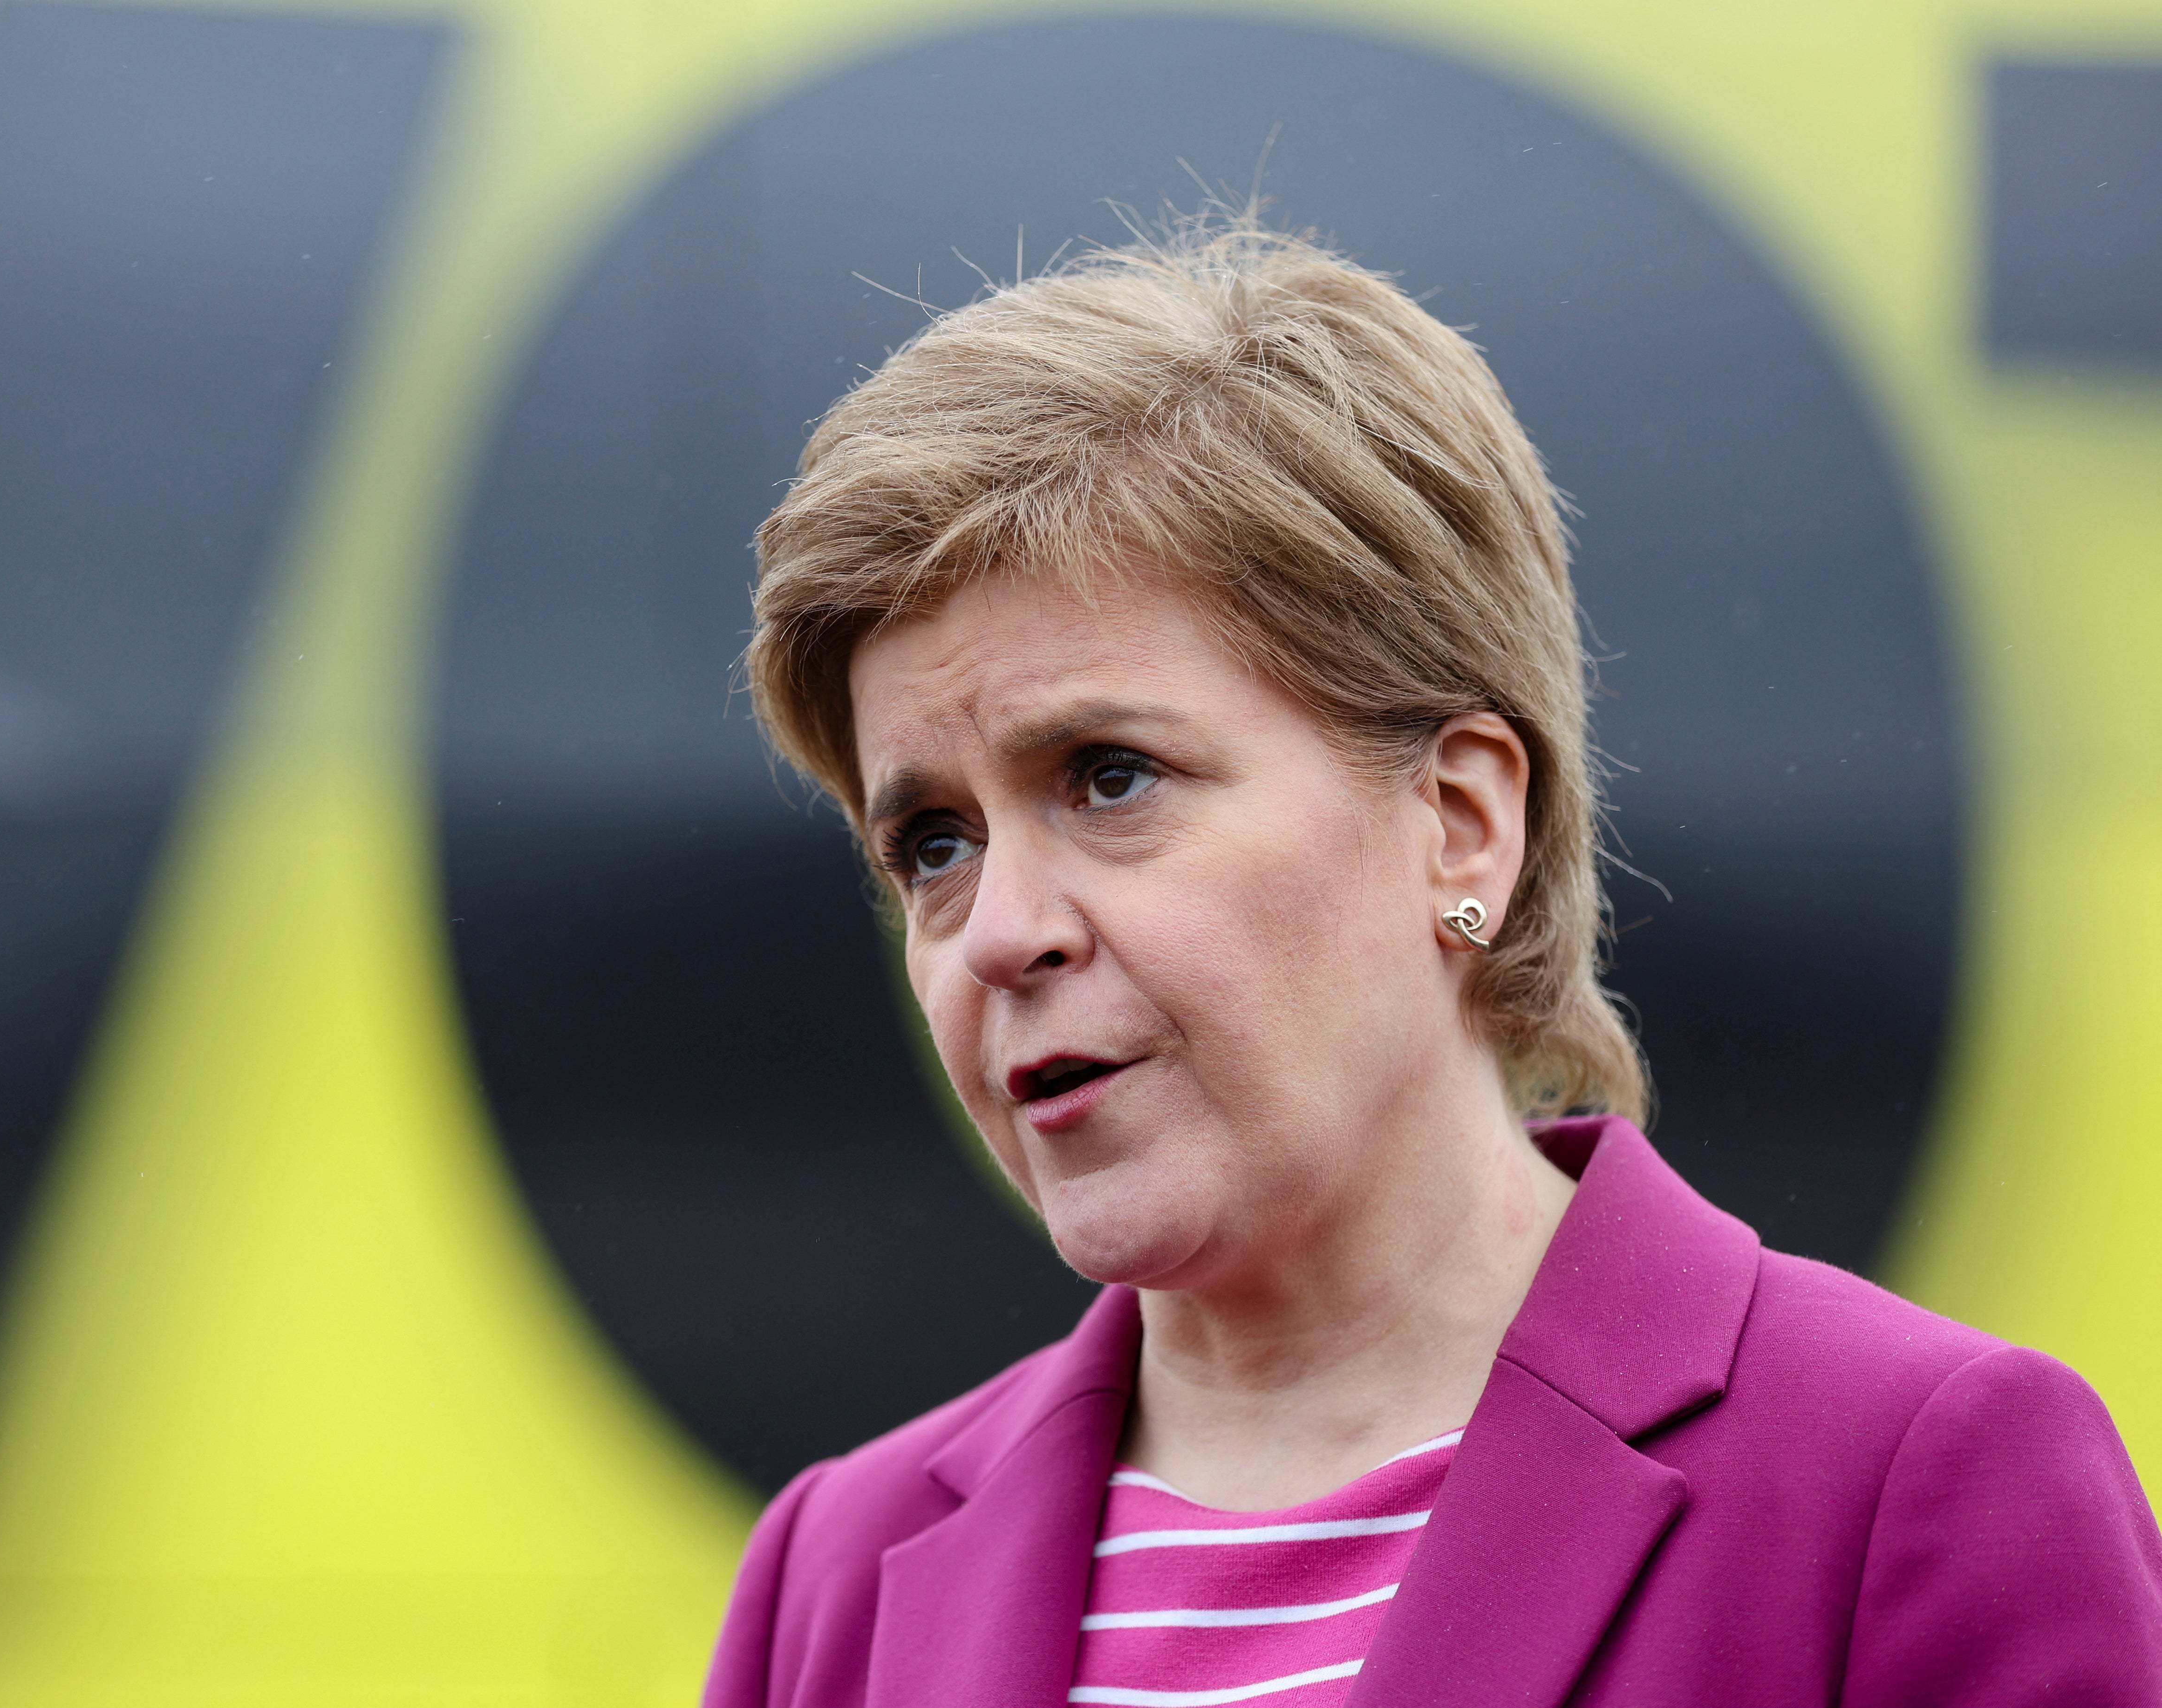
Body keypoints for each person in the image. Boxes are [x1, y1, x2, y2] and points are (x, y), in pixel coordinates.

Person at [700, 218, 2162, 1708]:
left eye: (1109, 776)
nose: (1001, 931)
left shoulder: (1916, 1480)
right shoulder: (830, 1574)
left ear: (1459, 826)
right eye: (932, 844)